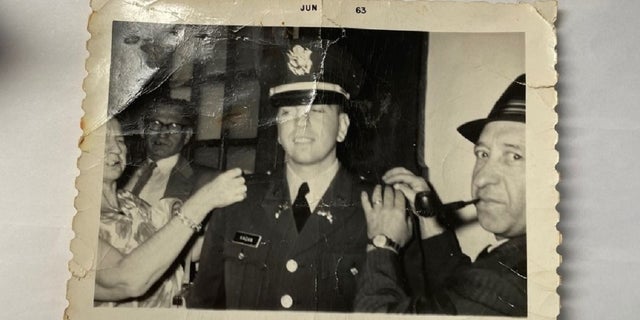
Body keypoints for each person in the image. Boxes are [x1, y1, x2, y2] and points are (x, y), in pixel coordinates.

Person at [188, 39, 371, 311]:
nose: (301, 123)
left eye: (316, 110)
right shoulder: (236, 201)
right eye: (288, 112)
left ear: (342, 127)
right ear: (277, 129)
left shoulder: (377, 207)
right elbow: (203, 305)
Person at [355, 74, 527, 316]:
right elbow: (459, 296)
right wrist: (428, 219)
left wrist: (382, 242)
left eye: (514, 156)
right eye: (483, 154)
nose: (482, 178)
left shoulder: (504, 282)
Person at [95, 118, 247, 307]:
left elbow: (183, 250)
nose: (116, 149)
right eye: (102, 141)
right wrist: (202, 202)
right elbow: (127, 280)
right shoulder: (74, 221)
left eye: (119, 140)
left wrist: (234, 216)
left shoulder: (131, 203)